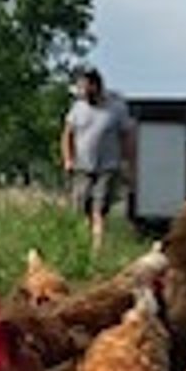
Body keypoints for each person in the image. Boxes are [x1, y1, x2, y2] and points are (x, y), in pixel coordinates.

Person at [61, 66, 138, 261]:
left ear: (95, 86)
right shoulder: (77, 108)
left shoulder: (116, 108)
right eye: (80, 87)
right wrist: (68, 159)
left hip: (108, 167)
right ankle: (85, 245)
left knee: (99, 209)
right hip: (82, 167)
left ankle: (97, 251)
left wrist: (129, 163)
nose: (82, 91)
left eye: (85, 87)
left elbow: (127, 137)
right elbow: (67, 135)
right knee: (81, 208)